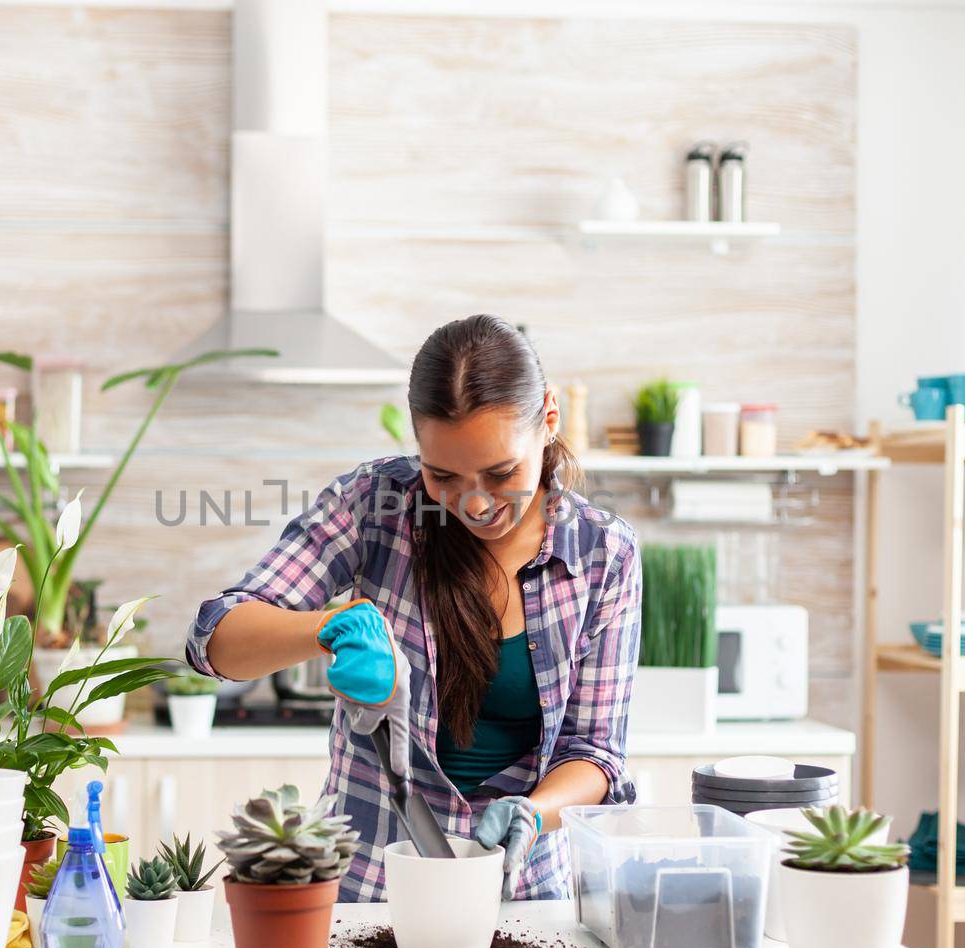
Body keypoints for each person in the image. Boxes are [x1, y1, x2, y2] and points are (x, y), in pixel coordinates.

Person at [185, 314, 640, 901]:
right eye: (443, 475)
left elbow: (596, 751)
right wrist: (330, 627)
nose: (474, 503)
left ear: (548, 419)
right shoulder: (374, 506)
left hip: (522, 896)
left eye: (501, 473)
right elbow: (213, 639)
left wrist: (535, 812)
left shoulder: (604, 553)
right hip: (367, 888)